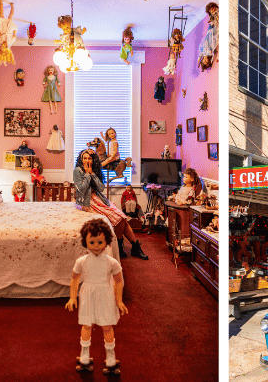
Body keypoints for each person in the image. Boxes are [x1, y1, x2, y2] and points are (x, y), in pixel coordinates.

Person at [65, 219, 128, 373]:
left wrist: (119, 300)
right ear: (85, 242)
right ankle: (85, 354)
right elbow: (74, 279)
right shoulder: (81, 261)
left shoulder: (112, 263)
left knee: (107, 326)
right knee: (86, 325)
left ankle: (111, 356)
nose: (96, 246)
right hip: (87, 295)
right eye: (91, 242)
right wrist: (72, 297)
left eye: (100, 242)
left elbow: (118, 281)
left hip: (105, 294)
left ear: (106, 241)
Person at [74, 149, 148, 260]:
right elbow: (82, 189)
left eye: (89, 158)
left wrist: (92, 173)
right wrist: (87, 175)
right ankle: (122, 247)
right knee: (118, 218)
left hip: (99, 199)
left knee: (122, 218)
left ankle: (134, 246)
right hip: (87, 201)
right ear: (81, 159)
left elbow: (101, 188)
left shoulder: (94, 170)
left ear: (93, 160)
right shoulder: (77, 171)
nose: (87, 160)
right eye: (84, 158)